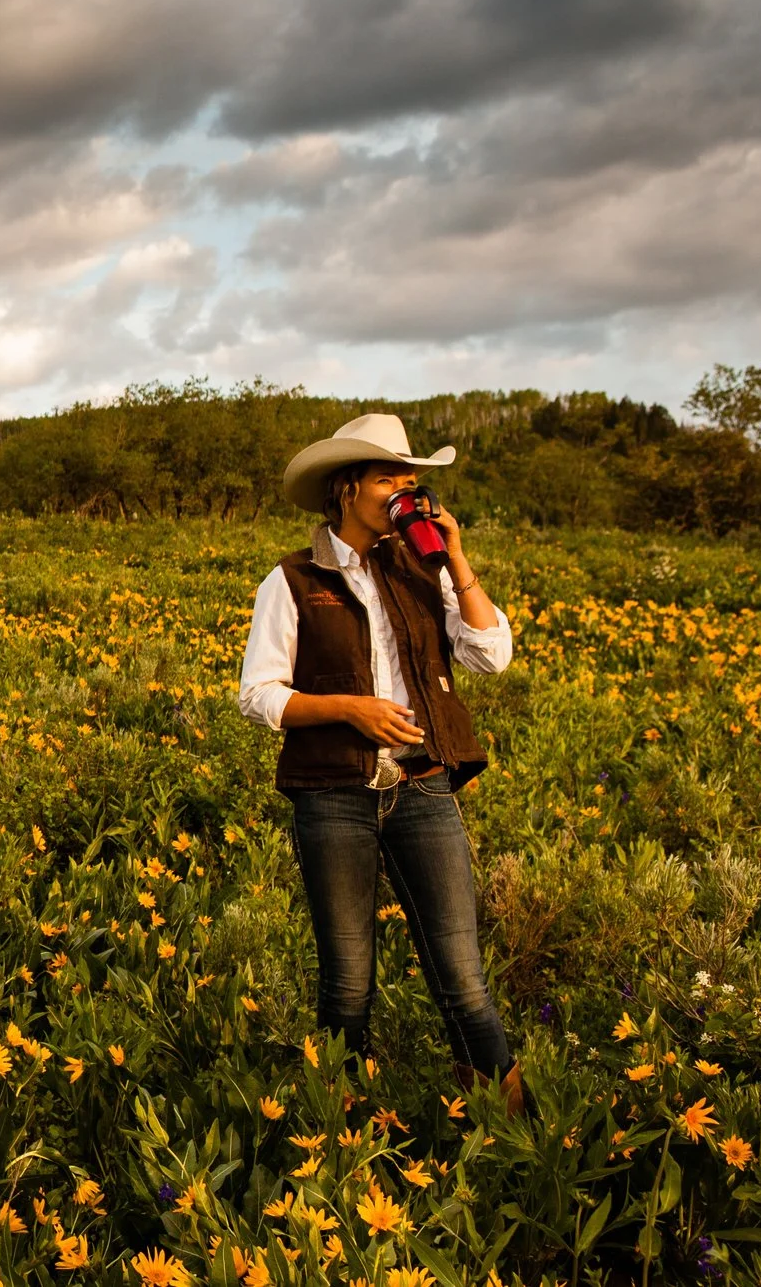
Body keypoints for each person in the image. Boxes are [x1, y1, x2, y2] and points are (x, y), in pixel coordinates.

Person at [236, 413, 523, 1113]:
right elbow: (258, 694)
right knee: (348, 983)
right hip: (334, 794)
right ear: (347, 488)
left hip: (423, 788)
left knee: (464, 980)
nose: (409, 489)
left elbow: (492, 654)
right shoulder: (294, 579)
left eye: (412, 478)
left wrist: (454, 556)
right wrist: (349, 708)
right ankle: (343, 1136)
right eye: (392, 476)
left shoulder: (422, 567)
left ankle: (515, 1138)